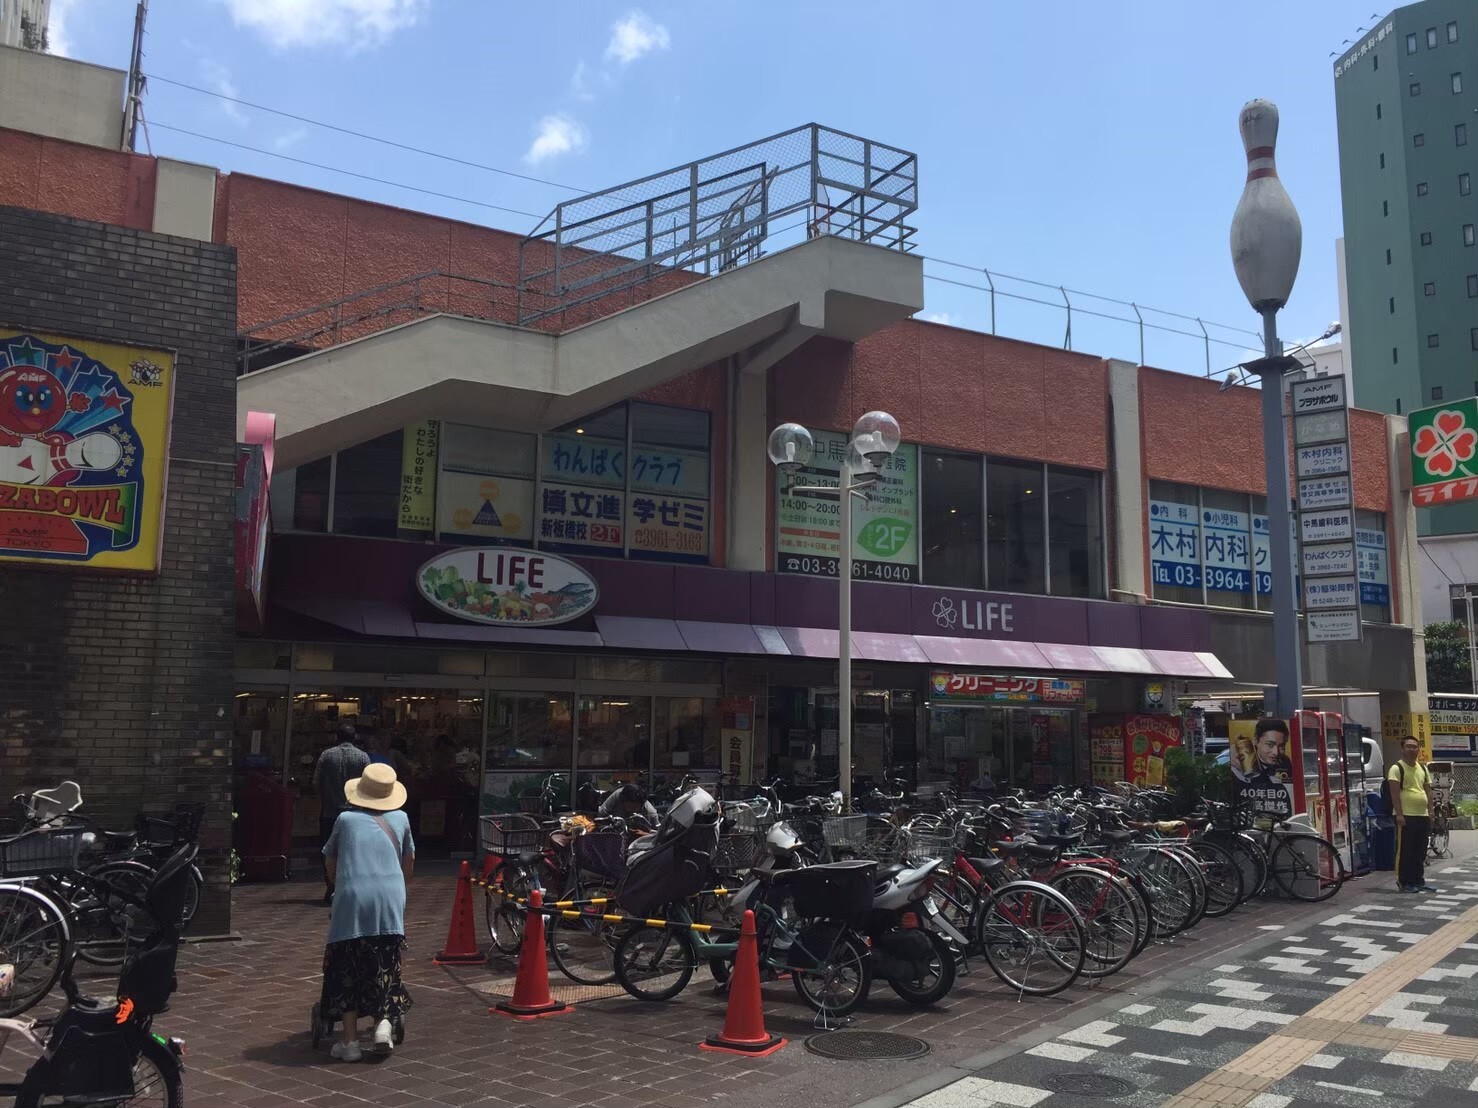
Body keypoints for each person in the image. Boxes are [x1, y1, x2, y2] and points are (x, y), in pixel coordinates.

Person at [320, 762, 416, 1062]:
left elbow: (330, 863)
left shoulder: (345, 819)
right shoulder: (401, 818)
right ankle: (383, 1026)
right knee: (386, 962)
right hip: (389, 900)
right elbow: (408, 865)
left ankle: (349, 1043)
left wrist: (343, 884)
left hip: (352, 900)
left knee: (347, 968)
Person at [314, 724, 369, 905]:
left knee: (328, 850)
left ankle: (331, 885)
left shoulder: (326, 755)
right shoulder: (363, 757)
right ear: (355, 738)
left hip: (330, 811)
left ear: (336, 737)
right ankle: (349, 886)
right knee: (353, 850)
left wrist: (326, 795)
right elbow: (368, 785)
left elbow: (316, 782)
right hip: (355, 812)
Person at [1388, 736, 1436, 894]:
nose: (1412, 749)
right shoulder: (1396, 768)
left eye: (1415, 747)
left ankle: (1418, 880)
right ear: (1402, 749)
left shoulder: (1422, 768)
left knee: (1420, 850)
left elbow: (1428, 791)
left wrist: (1431, 811)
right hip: (1406, 816)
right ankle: (1405, 881)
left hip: (1422, 815)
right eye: (1408, 746)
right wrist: (1399, 814)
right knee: (1406, 850)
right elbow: (1394, 794)